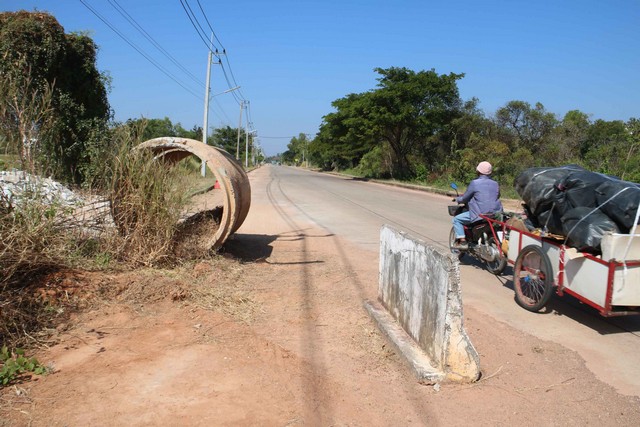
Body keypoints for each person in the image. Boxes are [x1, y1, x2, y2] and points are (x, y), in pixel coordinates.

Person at [452, 161, 503, 249]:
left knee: (456, 219)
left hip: (480, 214)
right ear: (490, 172)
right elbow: (497, 195)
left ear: (478, 171)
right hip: (495, 214)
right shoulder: (495, 184)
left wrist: (458, 199)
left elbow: (465, 198)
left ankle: (463, 242)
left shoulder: (475, 183)